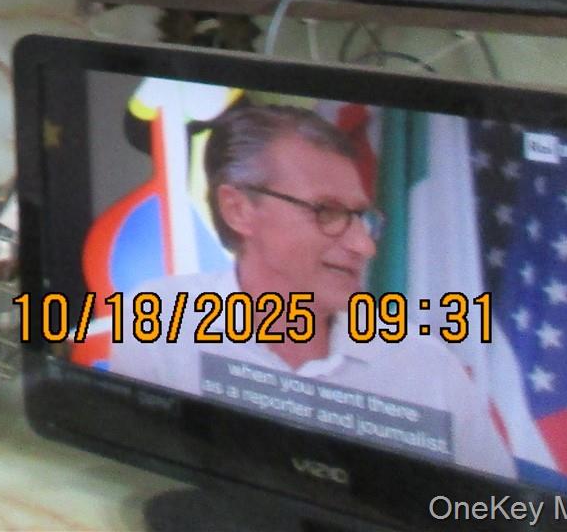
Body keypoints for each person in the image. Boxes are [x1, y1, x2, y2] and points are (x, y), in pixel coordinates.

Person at [102, 103, 515, 479]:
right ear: (238, 210)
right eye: (327, 212)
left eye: (362, 217)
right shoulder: (159, 320)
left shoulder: (427, 367)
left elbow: (502, 515)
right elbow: (133, 478)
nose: (364, 246)